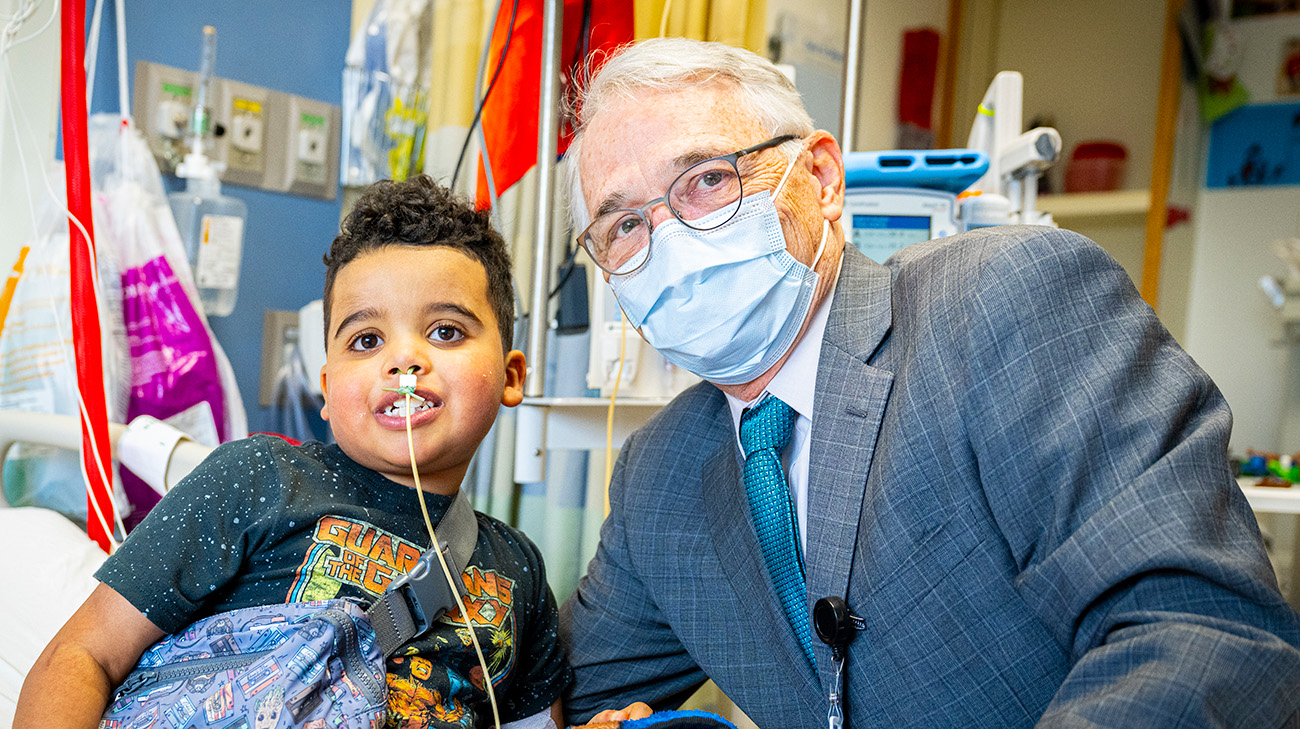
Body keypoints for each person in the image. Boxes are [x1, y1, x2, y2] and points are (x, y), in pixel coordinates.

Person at [558, 37, 1300, 727]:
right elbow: (551, 696)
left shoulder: (1000, 306)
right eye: (622, 226)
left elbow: (1208, 636)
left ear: (819, 179)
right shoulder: (661, 473)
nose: (669, 242)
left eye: (706, 181)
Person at [16, 176, 571, 729]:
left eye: (446, 332)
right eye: (367, 340)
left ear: (511, 375)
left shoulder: (517, 568)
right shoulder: (257, 480)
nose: (404, 360)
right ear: (328, 389)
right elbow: (81, 657)